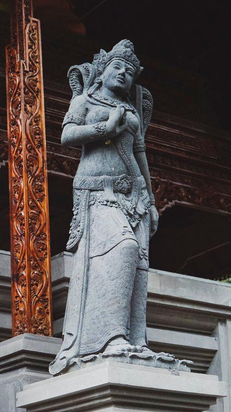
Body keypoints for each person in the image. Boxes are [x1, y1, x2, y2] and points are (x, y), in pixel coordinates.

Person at [50, 39, 158, 375]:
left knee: (138, 267)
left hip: (133, 197)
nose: (123, 74)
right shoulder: (84, 100)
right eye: (117, 67)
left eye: (129, 71)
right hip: (97, 191)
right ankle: (108, 337)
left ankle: (134, 338)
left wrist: (150, 200)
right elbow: (67, 135)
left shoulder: (131, 111)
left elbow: (140, 156)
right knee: (123, 249)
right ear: (102, 70)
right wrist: (105, 128)